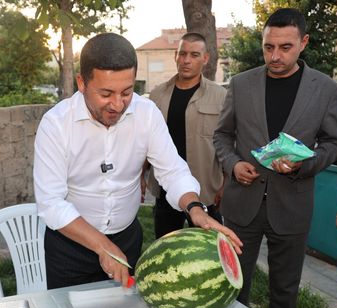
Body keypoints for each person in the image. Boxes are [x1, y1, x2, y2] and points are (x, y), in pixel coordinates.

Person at [33, 33, 242, 290]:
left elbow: (172, 170)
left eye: (127, 92)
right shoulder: (56, 124)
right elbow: (51, 203)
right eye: (106, 93)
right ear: (81, 82)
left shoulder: (146, 113)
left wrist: (195, 208)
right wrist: (103, 247)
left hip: (127, 241)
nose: (118, 105)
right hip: (69, 249)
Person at [213, 8, 337, 308]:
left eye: (285, 47)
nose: (275, 56)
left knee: (285, 291)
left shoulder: (324, 88)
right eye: (268, 47)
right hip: (242, 204)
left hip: (292, 204)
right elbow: (221, 135)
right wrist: (233, 164)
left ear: (304, 43)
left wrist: (306, 163)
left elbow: (335, 142)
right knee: (232, 285)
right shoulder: (241, 84)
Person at [143, 32, 227, 238]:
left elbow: (228, 141)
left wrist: (226, 185)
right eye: (182, 54)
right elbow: (145, 140)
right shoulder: (157, 95)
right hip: (165, 190)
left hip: (206, 190)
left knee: (210, 251)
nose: (187, 60)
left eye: (194, 55)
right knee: (166, 248)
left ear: (205, 58)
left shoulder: (221, 96)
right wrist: (140, 176)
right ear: (175, 56)